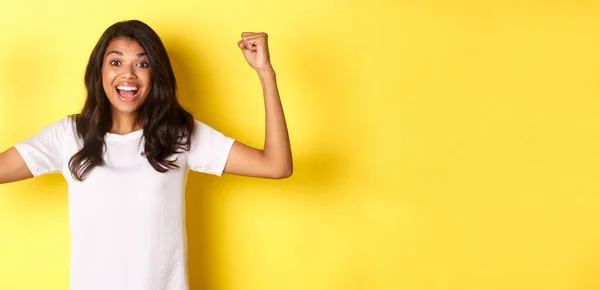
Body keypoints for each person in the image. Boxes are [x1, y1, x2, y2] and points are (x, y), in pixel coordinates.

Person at [0, 20, 292, 290]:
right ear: (99, 71)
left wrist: (265, 73)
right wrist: (17, 95)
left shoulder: (178, 134)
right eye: (115, 62)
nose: (128, 74)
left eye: (142, 63)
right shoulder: (69, 136)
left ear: (156, 74)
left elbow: (276, 165)